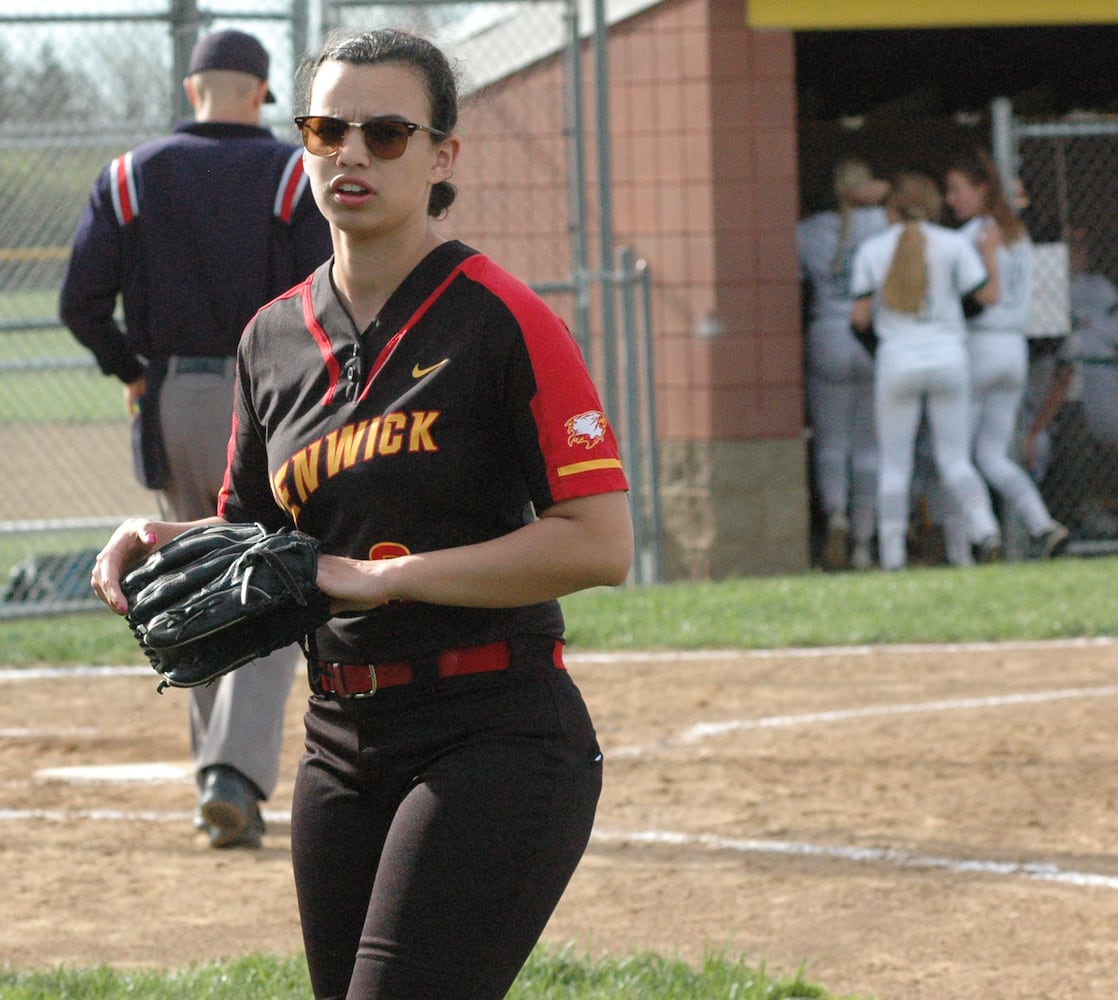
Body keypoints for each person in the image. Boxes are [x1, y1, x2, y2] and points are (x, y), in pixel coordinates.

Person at [90, 27, 633, 999]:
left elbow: (599, 542)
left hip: (494, 731)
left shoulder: (501, 317)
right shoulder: (270, 339)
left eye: (385, 133)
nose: (350, 152)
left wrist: (389, 577)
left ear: (440, 157)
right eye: (326, 128)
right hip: (339, 746)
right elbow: (257, 536)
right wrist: (161, 539)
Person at [59, 29, 333, 848]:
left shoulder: (130, 174)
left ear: (192, 91)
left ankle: (220, 772)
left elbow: (80, 301)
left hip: (172, 393)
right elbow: (324, 291)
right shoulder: (292, 172)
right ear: (256, 94)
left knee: (197, 565)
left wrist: (131, 370)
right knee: (275, 571)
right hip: (272, 389)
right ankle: (232, 774)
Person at [850, 171, 1003, 571]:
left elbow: (859, 318)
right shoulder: (953, 245)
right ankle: (986, 530)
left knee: (894, 464)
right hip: (950, 359)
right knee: (955, 459)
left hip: (896, 362)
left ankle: (892, 555)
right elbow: (984, 297)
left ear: (892, 210)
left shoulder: (872, 250)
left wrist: (885, 349)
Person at [940, 149, 1067, 562]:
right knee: (992, 455)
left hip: (978, 346)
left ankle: (981, 536)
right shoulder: (1017, 232)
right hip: (1014, 350)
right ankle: (1042, 524)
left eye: (957, 188)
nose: (950, 198)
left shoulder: (969, 236)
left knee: (955, 457)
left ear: (981, 189)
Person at [797, 159, 889, 570]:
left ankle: (835, 515)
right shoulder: (879, 222)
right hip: (868, 333)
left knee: (831, 442)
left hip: (826, 333)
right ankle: (865, 542)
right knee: (869, 446)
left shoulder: (810, 230)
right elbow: (905, 195)